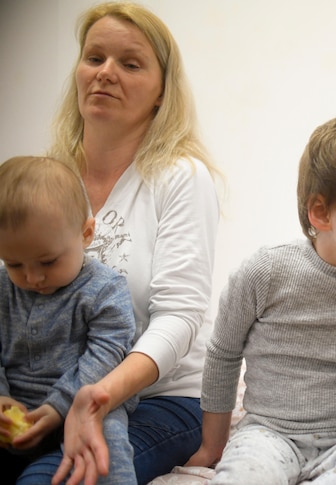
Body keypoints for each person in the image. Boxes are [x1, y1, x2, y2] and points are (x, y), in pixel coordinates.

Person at [185, 114, 336, 484]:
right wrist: (212, 445)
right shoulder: (267, 271)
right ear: (322, 212)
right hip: (269, 436)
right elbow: (223, 353)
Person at [46, 3, 221, 485]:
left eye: (130, 63)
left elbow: (179, 317)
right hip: (57, 394)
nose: (105, 73)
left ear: (162, 91)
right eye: (94, 57)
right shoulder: (50, 178)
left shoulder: (180, 177)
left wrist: (98, 395)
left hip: (166, 400)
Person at [0, 156, 137, 485]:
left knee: (106, 441)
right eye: (14, 263)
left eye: (48, 261)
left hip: (83, 400)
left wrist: (61, 405)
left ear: (86, 233)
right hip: (15, 405)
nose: (33, 277)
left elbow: (109, 353)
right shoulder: (4, 288)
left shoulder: (105, 288)